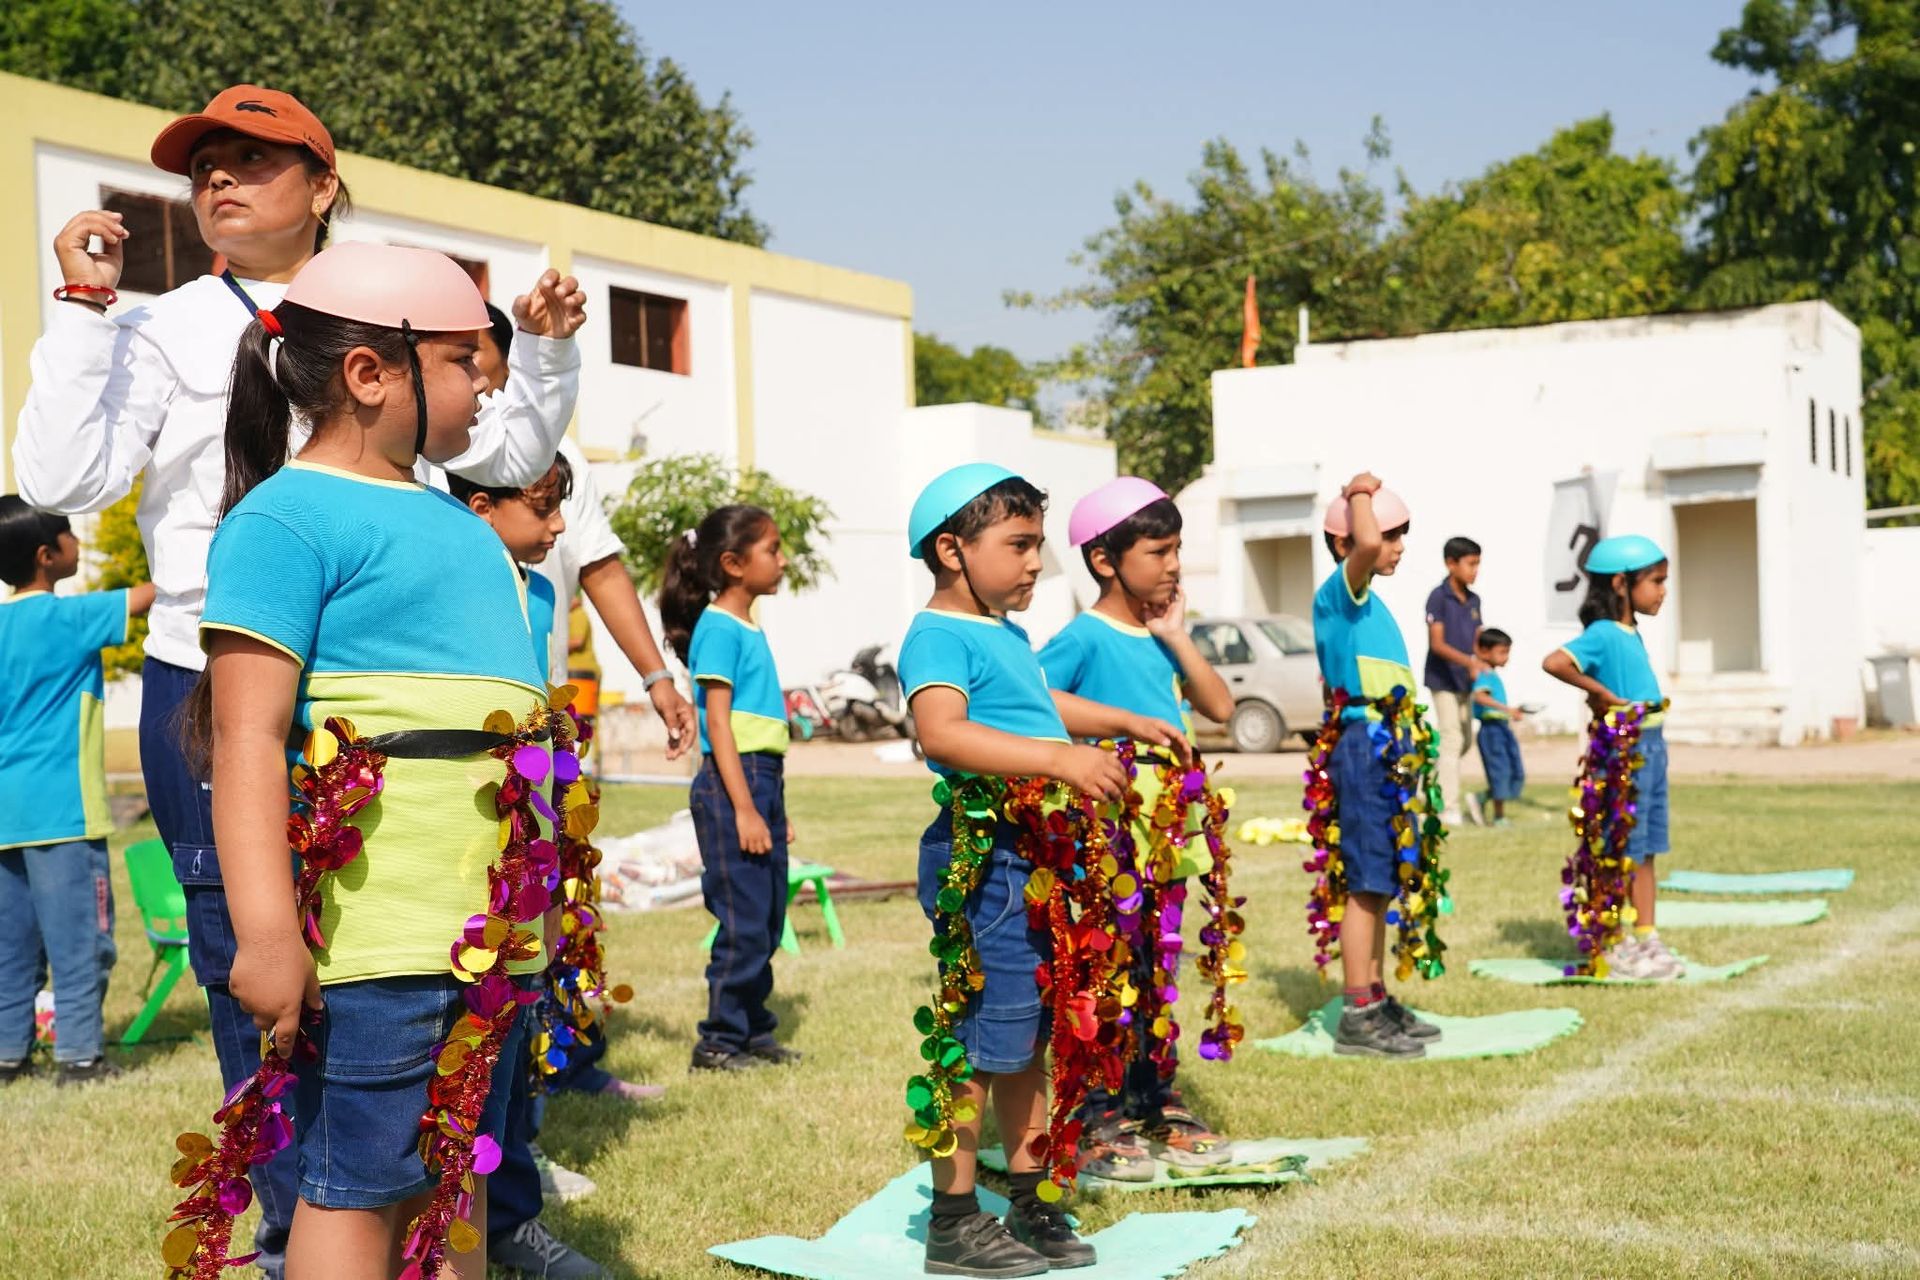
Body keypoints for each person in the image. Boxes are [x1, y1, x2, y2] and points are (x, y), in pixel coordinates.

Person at [12, 85, 587, 1279]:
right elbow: (59, 475)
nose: (221, 181)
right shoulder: (162, 325)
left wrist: (540, 348)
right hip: (225, 681)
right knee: (269, 980)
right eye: (204, 164)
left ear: (324, 185)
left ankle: (464, 1213)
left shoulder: (407, 311)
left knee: (435, 1032)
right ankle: (302, 1229)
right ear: (364, 372)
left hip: (396, 700)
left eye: (255, 161)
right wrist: (81, 310)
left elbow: (505, 450)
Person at [197, 242, 553, 1278]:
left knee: (457, 1168)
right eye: (465, 366)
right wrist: (267, 936)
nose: (486, 391)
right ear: (370, 370)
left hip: (489, 932)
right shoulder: (283, 519)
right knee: (361, 1179)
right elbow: (247, 739)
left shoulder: (465, 520)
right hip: (373, 935)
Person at [902, 463, 1186, 1278]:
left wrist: (1127, 720)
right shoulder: (938, 634)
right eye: (1018, 545)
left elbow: (1040, 704)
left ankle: (1029, 1195)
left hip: (1032, 857)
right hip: (983, 859)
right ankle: (954, 1222)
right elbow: (944, 733)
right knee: (978, 1043)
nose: (1035, 562)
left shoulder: (1004, 634)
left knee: (1029, 1039)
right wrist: (1061, 761)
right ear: (952, 550)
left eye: (1036, 544)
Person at [1037, 477, 1236, 1180]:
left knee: (1158, 968)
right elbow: (1036, 700)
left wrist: (1177, 636)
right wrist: (1120, 724)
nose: (1173, 563)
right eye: (1158, 550)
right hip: (1106, 836)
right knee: (1104, 971)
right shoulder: (1084, 636)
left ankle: (1153, 1094)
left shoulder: (1162, 636)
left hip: (1167, 836)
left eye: (1177, 548)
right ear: (1104, 561)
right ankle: (1095, 1109)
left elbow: (1219, 706)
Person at [451, 458, 611, 1280]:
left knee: (514, 1052)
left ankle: (511, 1219)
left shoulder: (540, 596)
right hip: (452, 846)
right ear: (480, 507)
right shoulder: (442, 586)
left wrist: (552, 865)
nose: (557, 532)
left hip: (530, 845)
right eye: (545, 511)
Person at [472, 303, 696, 761]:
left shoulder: (561, 457)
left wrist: (657, 678)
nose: (557, 524)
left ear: (510, 359)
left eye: (468, 350)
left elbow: (601, 568)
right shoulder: (411, 456)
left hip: (538, 718)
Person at [0, 498, 154, 1086]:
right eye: (68, 534)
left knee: (11, 948)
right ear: (47, 556)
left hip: (6, 817)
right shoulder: (70, 619)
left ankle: (9, 1054)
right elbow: (156, 593)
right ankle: (81, 1057)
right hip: (63, 813)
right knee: (80, 944)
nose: (76, 542)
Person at [660, 504, 802, 1073]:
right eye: (772, 549)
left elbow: (761, 736)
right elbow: (718, 726)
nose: (783, 559)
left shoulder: (746, 625)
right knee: (743, 921)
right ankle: (718, 1042)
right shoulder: (718, 627)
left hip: (761, 780)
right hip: (729, 786)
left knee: (767, 918)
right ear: (733, 564)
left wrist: (774, 810)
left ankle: (754, 1031)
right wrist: (745, 809)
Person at [1311, 474, 1446, 1058]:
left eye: (1401, 536)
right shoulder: (1341, 593)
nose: (1395, 546)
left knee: (1384, 879)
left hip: (1392, 745)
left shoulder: (1372, 603)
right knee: (1366, 884)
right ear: (1345, 544)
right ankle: (1357, 1012)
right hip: (1364, 747)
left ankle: (1375, 994)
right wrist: (1359, 491)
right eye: (1390, 536)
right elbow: (1364, 545)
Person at [1542, 535, 1680, 981]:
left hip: (1652, 748)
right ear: (1621, 583)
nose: (1662, 590)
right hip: (1626, 752)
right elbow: (1555, 663)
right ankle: (1613, 943)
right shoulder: (1602, 633)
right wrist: (1600, 693)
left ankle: (1646, 935)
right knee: (1619, 848)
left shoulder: (1630, 631)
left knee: (1646, 850)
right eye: (1656, 581)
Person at [1423, 536, 1484, 827]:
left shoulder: (1474, 600)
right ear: (1451, 563)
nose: (1475, 570)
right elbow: (1437, 644)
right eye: (1470, 564)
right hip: (1442, 679)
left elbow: (1478, 638)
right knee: (1451, 738)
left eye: (1477, 564)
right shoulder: (1438, 597)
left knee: (1464, 741)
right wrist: (1469, 661)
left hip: (1465, 682)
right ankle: (1448, 808)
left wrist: (1484, 659)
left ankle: (1426, 787)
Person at [1470, 628, 1525, 825]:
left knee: (1514, 771)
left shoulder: (1493, 675)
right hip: (1491, 730)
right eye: (1502, 652)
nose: (1506, 658)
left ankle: (1482, 798)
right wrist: (1507, 709)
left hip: (1502, 727)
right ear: (1484, 651)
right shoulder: (1483, 674)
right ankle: (1499, 816)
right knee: (1500, 771)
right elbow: (1480, 696)